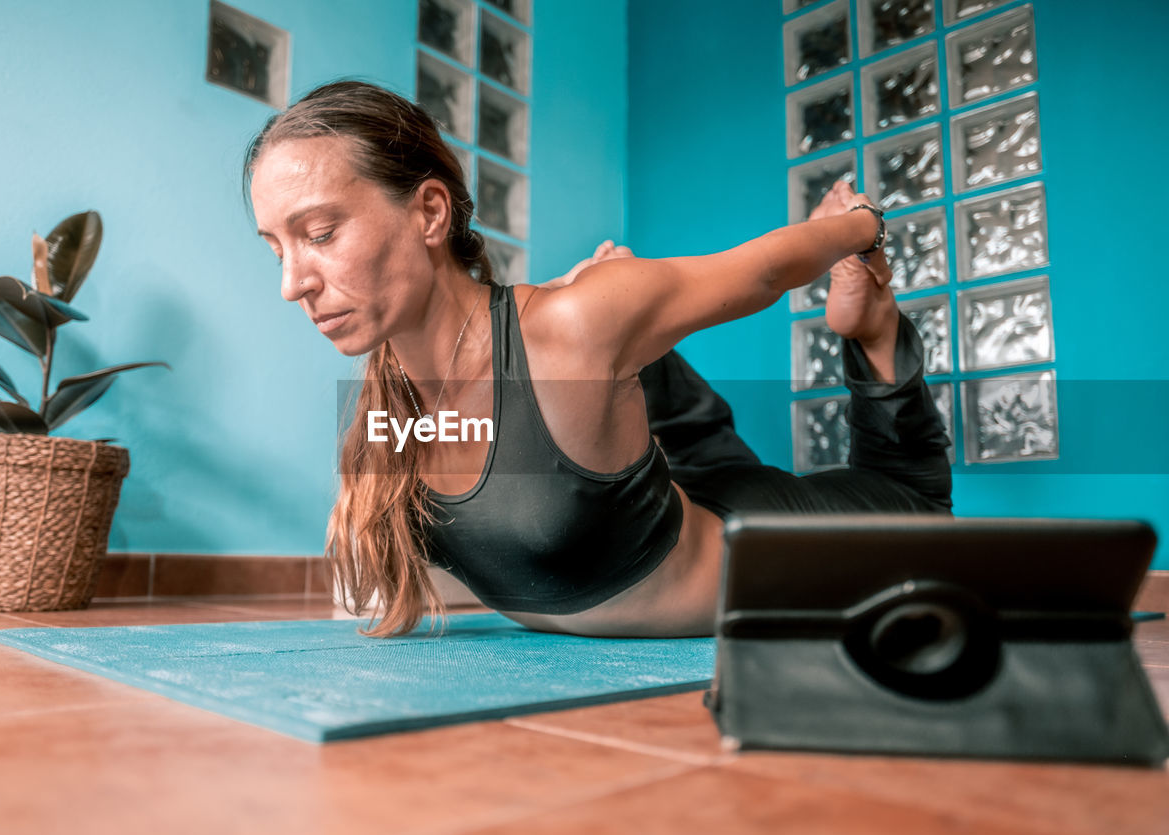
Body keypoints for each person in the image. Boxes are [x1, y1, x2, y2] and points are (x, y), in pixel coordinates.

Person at [244, 80, 952, 639]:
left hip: (745, 532)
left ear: (429, 214)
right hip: (649, 486)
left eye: (322, 233)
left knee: (919, 507)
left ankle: (869, 322)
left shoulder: (568, 324)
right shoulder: (385, 413)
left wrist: (859, 230)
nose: (292, 284)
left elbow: (761, 274)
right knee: (587, 333)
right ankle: (632, 358)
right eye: (278, 248)